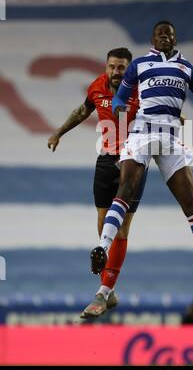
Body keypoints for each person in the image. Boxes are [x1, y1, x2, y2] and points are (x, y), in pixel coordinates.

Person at [91, 21, 193, 289]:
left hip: (170, 139)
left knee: (192, 203)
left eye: (168, 34)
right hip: (143, 134)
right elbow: (119, 99)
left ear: (175, 39)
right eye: (159, 34)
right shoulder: (139, 65)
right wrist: (121, 109)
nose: (164, 37)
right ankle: (101, 248)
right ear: (153, 39)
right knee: (125, 189)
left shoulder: (187, 69)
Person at [47, 47, 147, 318]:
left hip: (134, 163)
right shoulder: (97, 87)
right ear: (106, 67)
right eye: (113, 67)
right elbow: (82, 110)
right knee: (104, 227)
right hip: (105, 160)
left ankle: (102, 293)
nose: (117, 72)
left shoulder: (142, 88)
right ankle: (109, 288)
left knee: (122, 228)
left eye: (122, 67)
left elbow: (162, 111)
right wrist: (58, 132)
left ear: (130, 68)